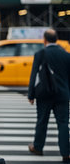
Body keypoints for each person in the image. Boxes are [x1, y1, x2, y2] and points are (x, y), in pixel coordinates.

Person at [27, 29, 70, 163]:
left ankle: (38, 147)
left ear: (45, 40)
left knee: (42, 121)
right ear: (56, 39)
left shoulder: (40, 53)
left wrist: (31, 94)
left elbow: (34, 75)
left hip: (44, 94)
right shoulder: (66, 55)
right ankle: (66, 153)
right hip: (62, 94)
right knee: (63, 123)